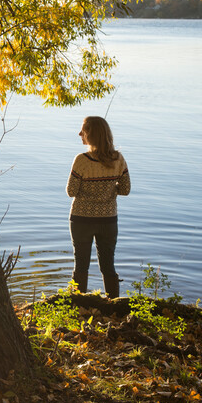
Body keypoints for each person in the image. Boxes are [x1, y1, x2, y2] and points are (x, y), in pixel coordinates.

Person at [66, 116, 130, 298]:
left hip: (81, 219)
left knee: (81, 265)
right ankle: (114, 305)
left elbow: (71, 191)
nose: (79, 134)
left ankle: (78, 306)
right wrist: (109, 188)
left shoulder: (81, 160)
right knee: (108, 265)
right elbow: (125, 190)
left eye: (83, 130)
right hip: (108, 220)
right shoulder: (118, 159)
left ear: (91, 134)